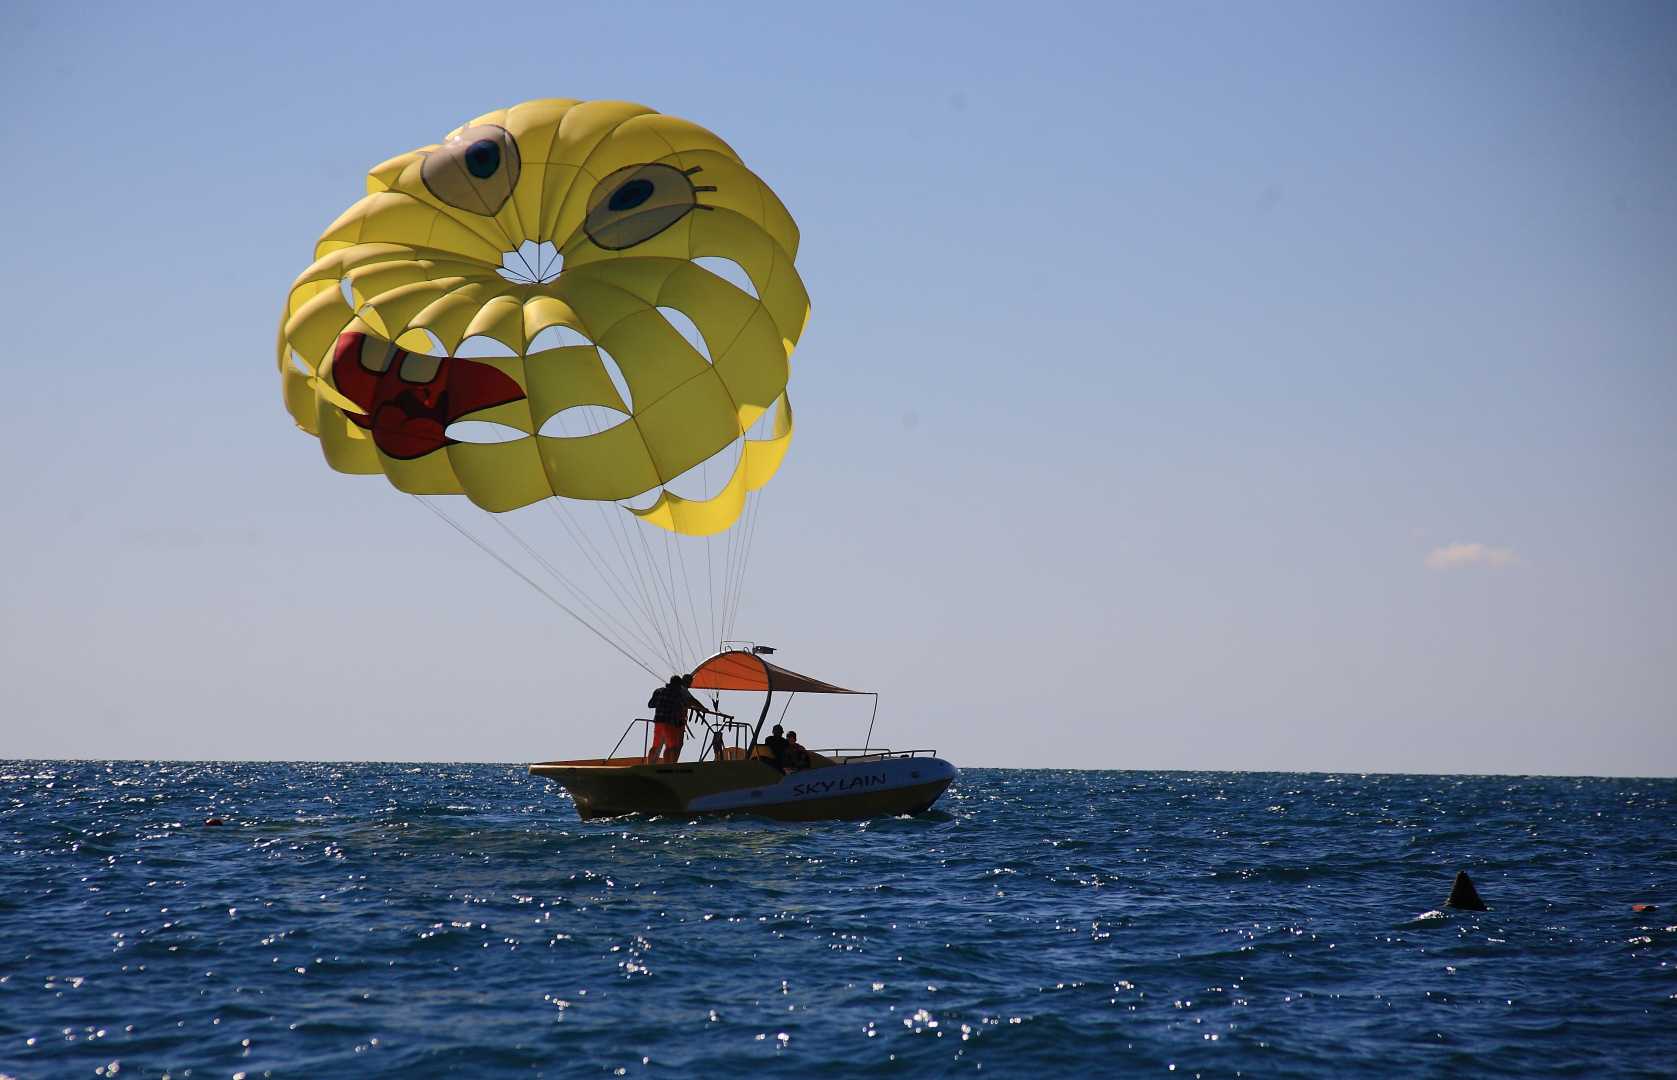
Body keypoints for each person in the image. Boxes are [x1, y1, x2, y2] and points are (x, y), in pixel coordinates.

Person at [645, 675, 717, 764]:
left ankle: (648, 764)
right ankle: (672, 765)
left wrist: (663, 704)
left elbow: (651, 705)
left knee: (655, 745)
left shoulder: (658, 691)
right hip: (670, 722)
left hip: (658, 721)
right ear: (678, 684)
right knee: (674, 745)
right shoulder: (677, 692)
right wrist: (702, 708)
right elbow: (687, 704)